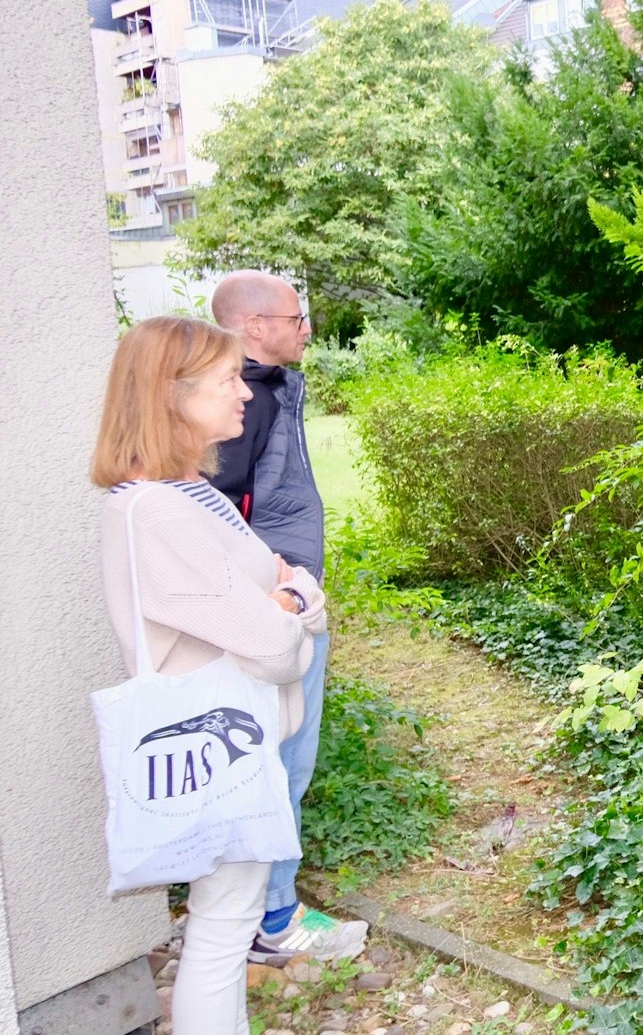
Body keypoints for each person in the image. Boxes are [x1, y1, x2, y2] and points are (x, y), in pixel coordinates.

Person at [93, 316, 326, 1034]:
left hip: (237, 747)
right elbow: (277, 642)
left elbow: (282, 608)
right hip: (222, 754)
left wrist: (288, 602)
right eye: (227, 380)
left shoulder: (189, 495)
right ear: (171, 395)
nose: (245, 395)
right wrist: (295, 600)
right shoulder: (157, 511)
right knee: (223, 932)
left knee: (224, 924)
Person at [206, 270, 355, 961]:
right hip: (278, 611)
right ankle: (271, 922)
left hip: (283, 600)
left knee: (276, 760)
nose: (306, 330)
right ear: (254, 326)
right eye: (297, 319)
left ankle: (257, 911)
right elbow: (221, 513)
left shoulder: (258, 390)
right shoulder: (245, 401)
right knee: (282, 762)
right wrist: (283, 593)